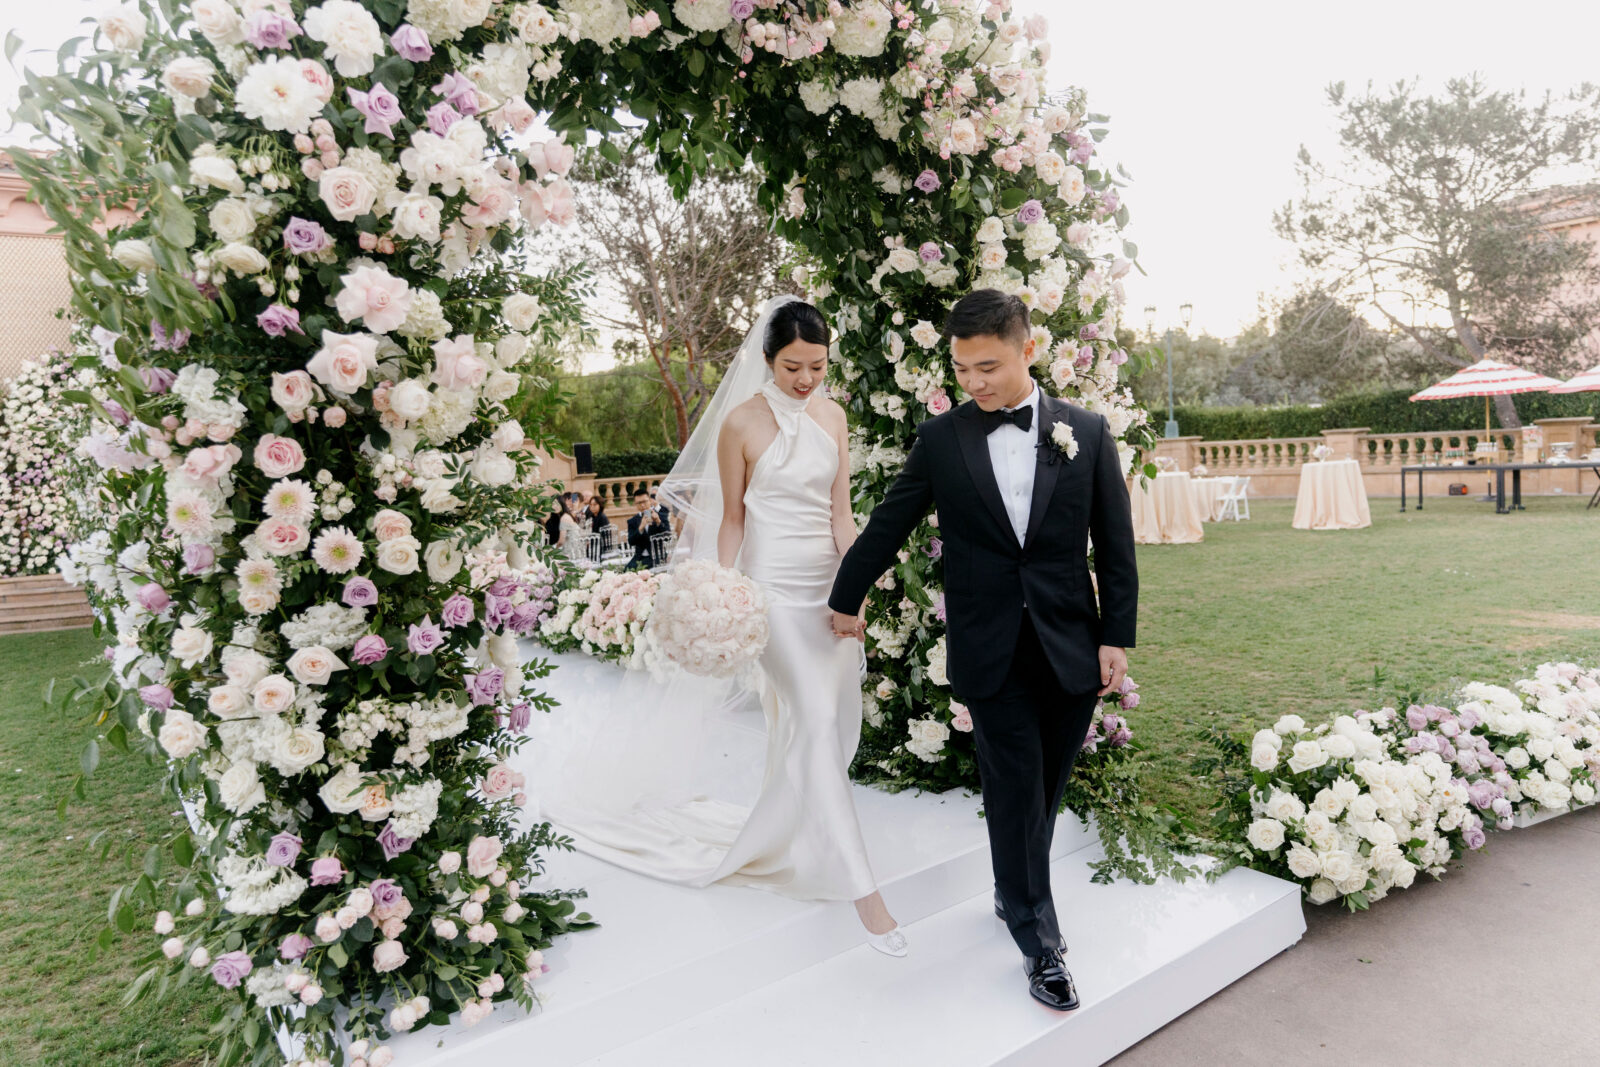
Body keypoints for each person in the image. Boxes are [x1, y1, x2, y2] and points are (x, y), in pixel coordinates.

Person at [536, 297, 906, 957]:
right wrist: (720, 590)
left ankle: (777, 836)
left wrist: (859, 584)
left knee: (834, 724)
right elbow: (731, 517)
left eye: (818, 366)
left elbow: (842, 514)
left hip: (829, 593)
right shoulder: (739, 423)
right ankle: (863, 889)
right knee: (817, 721)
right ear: (768, 359)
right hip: (769, 596)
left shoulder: (834, 417)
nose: (806, 379)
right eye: (793, 366)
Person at [828, 288, 1138, 1010]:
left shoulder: (1087, 432)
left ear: (1029, 349)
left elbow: (1115, 545)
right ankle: (1040, 941)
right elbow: (889, 524)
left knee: (1044, 790)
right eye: (962, 368)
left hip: (1070, 645)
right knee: (1012, 789)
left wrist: (1116, 634)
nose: (973, 382)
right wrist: (846, 597)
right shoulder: (943, 440)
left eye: (988, 366)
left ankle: (1011, 891)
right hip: (988, 647)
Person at [624, 489, 668, 568]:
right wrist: (641, 527)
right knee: (625, 572)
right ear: (635, 504)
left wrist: (658, 521)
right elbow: (631, 542)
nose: (642, 505)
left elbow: (668, 537)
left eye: (645, 501)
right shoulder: (632, 521)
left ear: (650, 501)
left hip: (658, 556)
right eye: (639, 503)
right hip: (639, 558)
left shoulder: (661, 515)